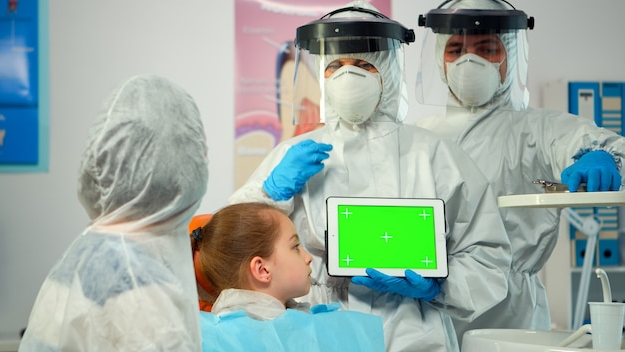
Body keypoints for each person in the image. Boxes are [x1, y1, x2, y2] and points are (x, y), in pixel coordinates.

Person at [229, 2, 512, 351]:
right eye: (336, 66)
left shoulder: (435, 154)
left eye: (364, 65)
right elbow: (231, 236)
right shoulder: (295, 155)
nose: (349, 77)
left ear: (388, 73)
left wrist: (440, 285)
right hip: (318, 324)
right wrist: (269, 192)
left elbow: (489, 254)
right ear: (322, 74)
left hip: (415, 329)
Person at [415, 0, 625, 342]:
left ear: (510, 56)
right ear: (441, 60)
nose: (469, 61)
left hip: (512, 311)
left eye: (486, 48)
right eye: (455, 49)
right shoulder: (421, 136)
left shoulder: (536, 129)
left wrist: (600, 155)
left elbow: (602, 145)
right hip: (432, 300)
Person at [19, 74, 209, 351]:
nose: (204, 158)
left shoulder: (93, 249)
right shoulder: (137, 285)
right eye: (198, 149)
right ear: (180, 164)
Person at [192, 202, 385, 352]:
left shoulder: (208, 338)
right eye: (295, 247)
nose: (308, 258)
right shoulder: (219, 341)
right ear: (262, 269)